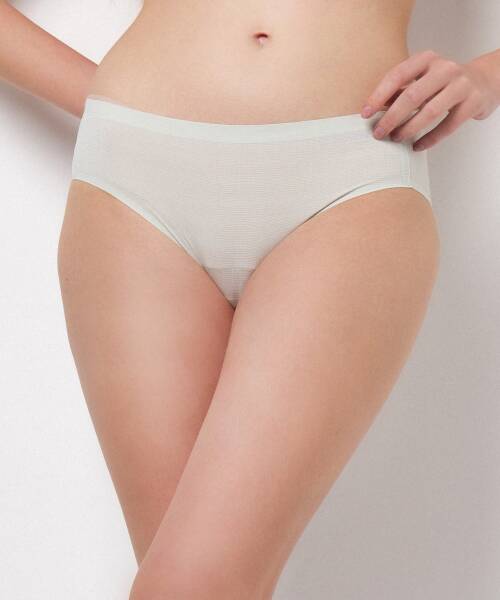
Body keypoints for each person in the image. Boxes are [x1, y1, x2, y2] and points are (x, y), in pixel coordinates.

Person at [2, 1, 499, 598]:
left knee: (189, 585)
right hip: (134, 181)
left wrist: (486, 77)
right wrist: (114, 106)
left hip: (345, 175)